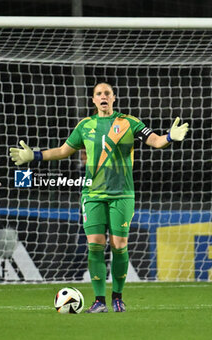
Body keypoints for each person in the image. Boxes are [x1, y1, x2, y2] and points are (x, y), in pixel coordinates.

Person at [10, 82, 189, 313]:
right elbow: (64, 151)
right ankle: (99, 301)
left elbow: (155, 141)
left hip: (122, 194)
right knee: (95, 245)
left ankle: (117, 298)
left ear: (113, 98)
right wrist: (34, 155)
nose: (103, 96)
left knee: (119, 245)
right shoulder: (85, 125)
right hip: (92, 195)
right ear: (93, 100)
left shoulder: (129, 122)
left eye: (107, 93)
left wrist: (170, 137)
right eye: (98, 94)